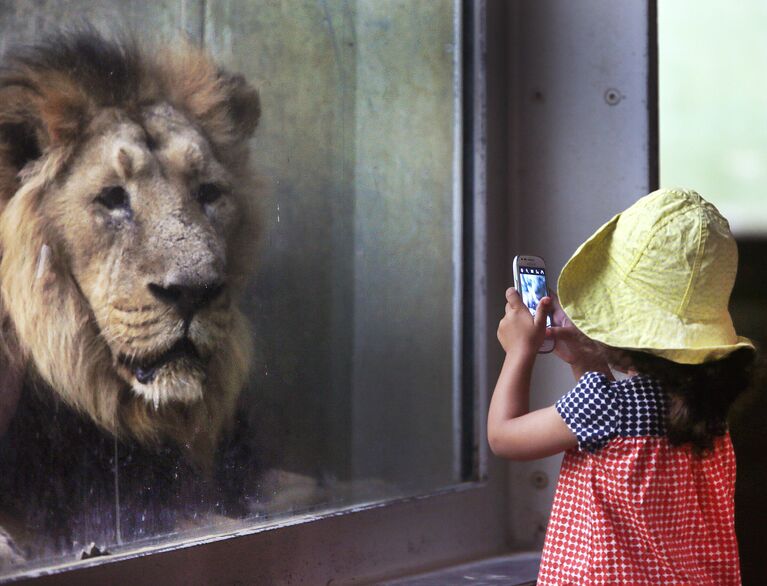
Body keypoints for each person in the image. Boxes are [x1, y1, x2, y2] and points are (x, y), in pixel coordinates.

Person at [487, 188, 756, 585]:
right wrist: (586, 363)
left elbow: (504, 437)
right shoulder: (707, 412)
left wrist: (519, 351)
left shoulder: (604, 406)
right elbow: (615, 449)